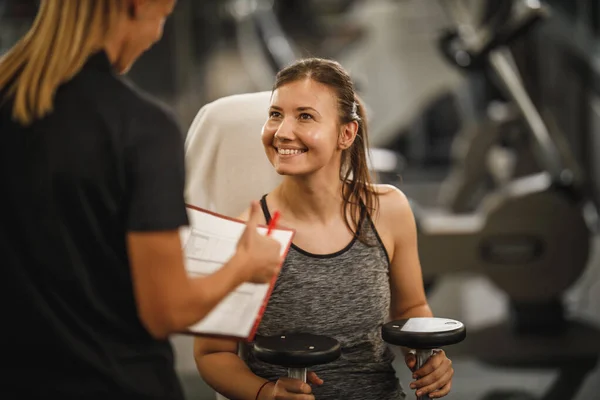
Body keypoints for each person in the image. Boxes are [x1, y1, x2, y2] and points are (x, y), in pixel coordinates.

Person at [0, 1, 282, 399]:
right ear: (136, 6)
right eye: (162, 17)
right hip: (115, 382)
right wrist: (244, 265)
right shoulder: (141, 128)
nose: (157, 35)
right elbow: (166, 310)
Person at [193, 58, 455, 400]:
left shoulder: (388, 210)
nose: (283, 131)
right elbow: (213, 353)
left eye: (305, 116)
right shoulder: (245, 231)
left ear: (345, 133)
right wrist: (264, 393)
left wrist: (430, 357)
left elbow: (411, 309)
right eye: (275, 114)